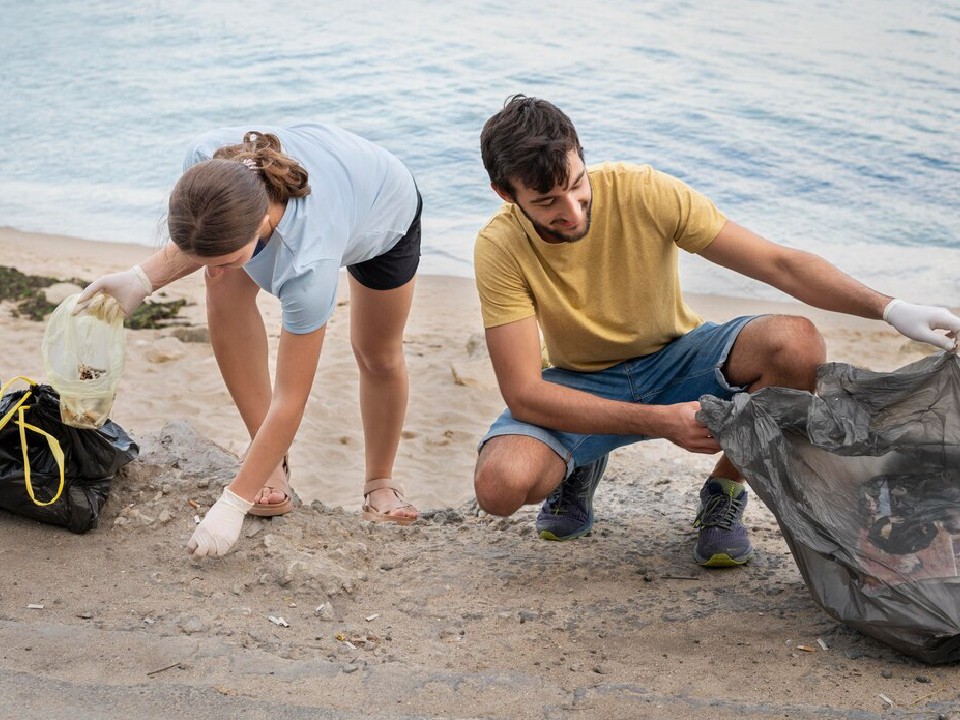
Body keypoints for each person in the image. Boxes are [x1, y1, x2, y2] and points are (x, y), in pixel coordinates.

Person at [472, 95, 960, 567]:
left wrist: (891, 308)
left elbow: (780, 265)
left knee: (797, 342)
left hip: (679, 356)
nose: (574, 212)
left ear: (582, 156)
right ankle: (578, 464)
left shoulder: (643, 191)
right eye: (548, 201)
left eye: (578, 185)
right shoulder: (500, 246)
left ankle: (725, 490)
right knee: (500, 487)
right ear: (506, 194)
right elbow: (524, 394)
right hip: (580, 379)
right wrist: (658, 422)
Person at [78, 124, 423, 557]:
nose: (217, 269)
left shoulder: (307, 264)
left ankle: (380, 484)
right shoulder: (206, 164)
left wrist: (232, 503)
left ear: (260, 224)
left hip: (381, 209)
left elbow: (290, 400)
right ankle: (271, 466)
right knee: (222, 284)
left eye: (228, 257)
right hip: (323, 181)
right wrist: (141, 278)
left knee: (377, 353)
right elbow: (207, 243)